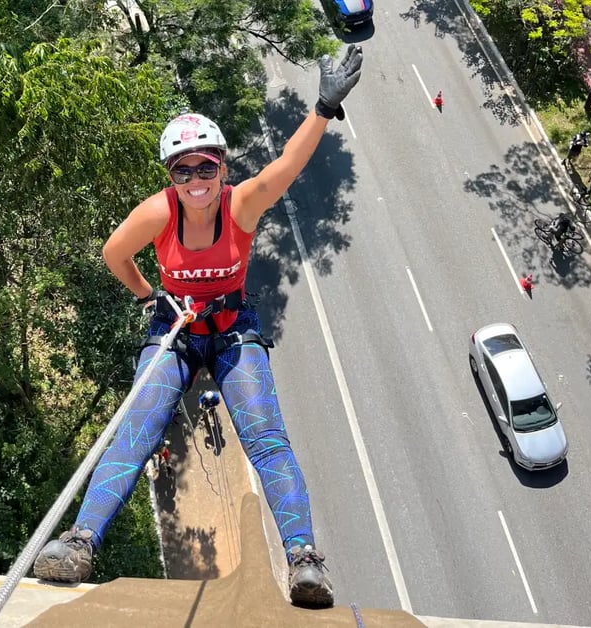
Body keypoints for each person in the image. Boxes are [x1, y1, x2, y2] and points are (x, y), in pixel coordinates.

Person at [33, 45, 363, 608]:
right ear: (171, 177)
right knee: (137, 427)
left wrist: (324, 108)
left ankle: (305, 561)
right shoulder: (160, 212)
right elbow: (116, 253)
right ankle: (81, 542)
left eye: (205, 167)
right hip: (177, 332)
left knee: (267, 441)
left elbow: (287, 163)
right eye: (182, 170)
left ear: (222, 168)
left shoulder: (242, 206)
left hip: (233, 331)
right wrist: (147, 297)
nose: (195, 180)